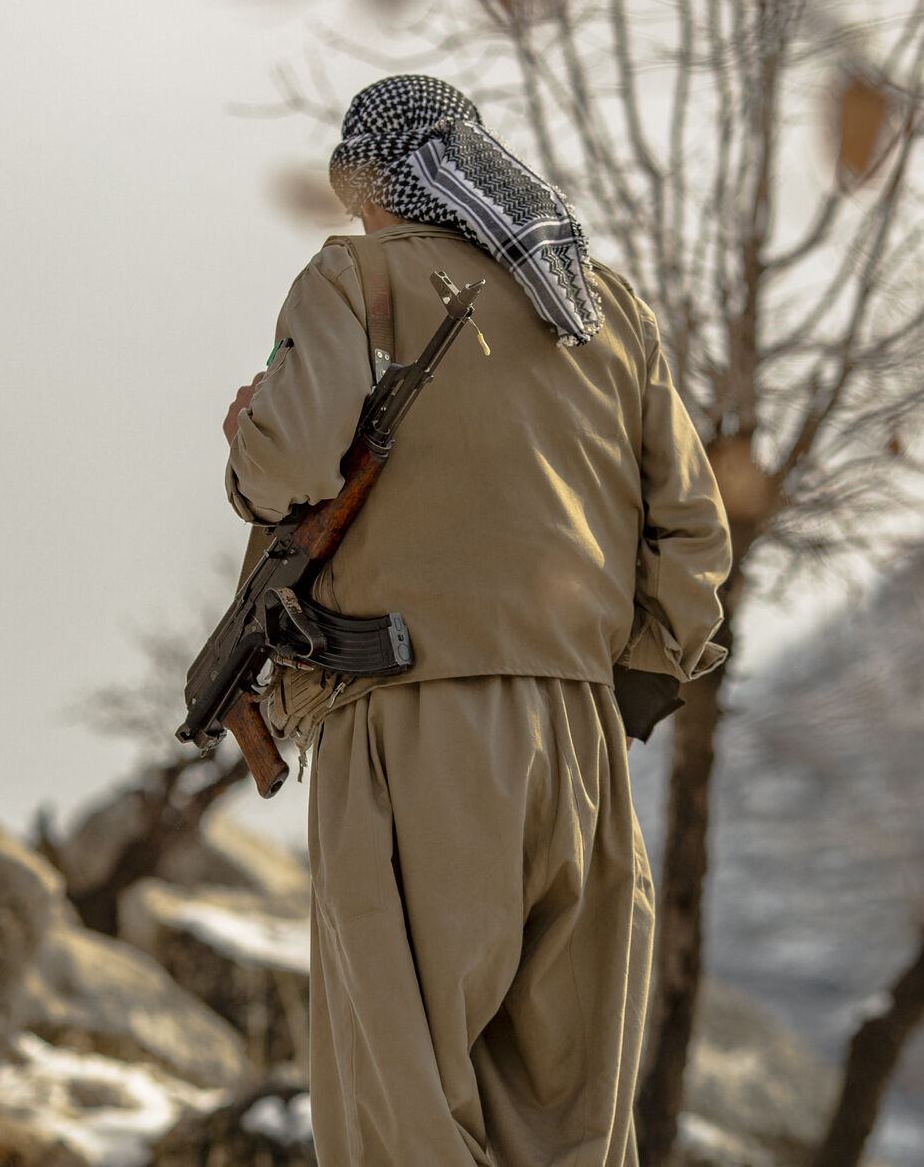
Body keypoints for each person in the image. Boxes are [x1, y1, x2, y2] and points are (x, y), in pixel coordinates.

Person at [221, 75, 731, 1167]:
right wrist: (621, 683)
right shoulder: (605, 306)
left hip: (412, 724)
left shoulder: (353, 279)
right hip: (585, 745)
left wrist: (245, 440)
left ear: (377, 178)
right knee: (569, 1120)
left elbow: (292, 460)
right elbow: (693, 539)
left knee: (399, 1103)